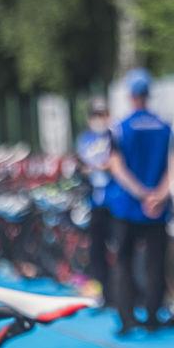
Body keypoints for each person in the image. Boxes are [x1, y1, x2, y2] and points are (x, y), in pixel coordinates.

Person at [107, 68, 173, 335]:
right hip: (158, 208)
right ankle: (153, 316)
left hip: (128, 206)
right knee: (156, 263)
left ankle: (127, 317)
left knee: (124, 262)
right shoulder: (164, 127)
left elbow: (117, 167)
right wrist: (159, 194)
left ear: (130, 95)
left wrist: (141, 193)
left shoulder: (120, 128)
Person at [76, 96, 114, 306]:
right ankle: (103, 291)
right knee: (97, 249)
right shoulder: (85, 139)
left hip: (115, 202)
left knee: (119, 248)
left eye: (102, 114)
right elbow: (83, 164)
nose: (99, 119)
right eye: (96, 115)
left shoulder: (115, 136)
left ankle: (120, 292)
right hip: (94, 202)